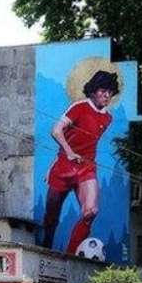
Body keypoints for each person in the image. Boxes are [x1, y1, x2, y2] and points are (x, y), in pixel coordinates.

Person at [41, 70, 119, 253]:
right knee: (51, 215)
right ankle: (46, 245)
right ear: (93, 91)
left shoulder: (108, 118)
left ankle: (71, 254)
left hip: (86, 168)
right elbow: (56, 130)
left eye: (110, 92)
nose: (106, 95)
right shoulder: (79, 107)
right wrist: (69, 152)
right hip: (63, 166)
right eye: (102, 91)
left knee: (91, 211)